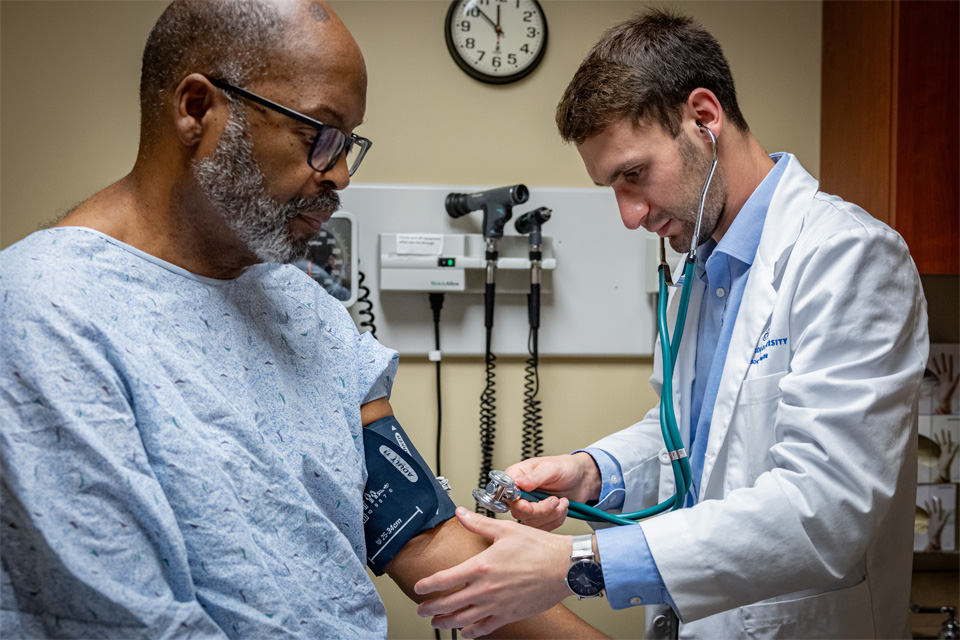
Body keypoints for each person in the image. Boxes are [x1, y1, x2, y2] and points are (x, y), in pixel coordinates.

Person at [0, 1, 603, 638]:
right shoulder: (46, 313)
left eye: (348, 144)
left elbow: (415, 530)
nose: (340, 174)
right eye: (319, 135)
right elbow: (128, 623)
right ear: (197, 108)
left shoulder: (301, 306)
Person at [414, 9, 930, 639]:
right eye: (611, 187)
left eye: (634, 174)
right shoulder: (697, 272)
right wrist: (591, 472)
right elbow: (689, 446)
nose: (629, 216)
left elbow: (826, 512)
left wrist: (578, 564)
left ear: (704, 118)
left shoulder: (849, 258)